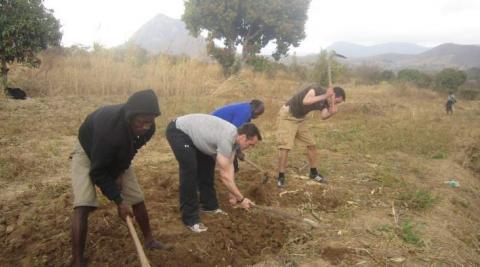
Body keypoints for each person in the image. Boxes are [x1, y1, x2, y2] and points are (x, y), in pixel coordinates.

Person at [70, 89, 170, 267]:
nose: (146, 127)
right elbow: (98, 171)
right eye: (141, 122)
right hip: (88, 149)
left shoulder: (148, 127)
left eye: (150, 122)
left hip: (118, 151)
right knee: (83, 203)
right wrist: (118, 200)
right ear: (130, 116)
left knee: (137, 197)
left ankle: (149, 241)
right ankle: (78, 260)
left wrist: (121, 172)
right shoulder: (108, 130)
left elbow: (132, 149)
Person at [165, 114, 260, 233]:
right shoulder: (227, 139)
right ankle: (190, 219)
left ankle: (209, 206)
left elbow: (228, 166)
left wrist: (233, 194)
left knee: (207, 168)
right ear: (243, 137)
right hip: (179, 131)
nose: (249, 147)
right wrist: (241, 199)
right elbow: (224, 176)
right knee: (190, 170)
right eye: (250, 144)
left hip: (197, 136)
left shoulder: (234, 140)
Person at [276, 85, 346, 187]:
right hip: (288, 116)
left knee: (311, 144)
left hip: (300, 119)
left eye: (338, 103)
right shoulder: (316, 89)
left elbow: (323, 116)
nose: (336, 104)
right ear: (333, 95)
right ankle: (281, 176)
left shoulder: (328, 102)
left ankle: (313, 173)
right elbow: (306, 101)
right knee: (285, 147)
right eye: (337, 101)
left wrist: (331, 112)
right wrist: (325, 95)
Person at [211, 99, 265, 172]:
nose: (257, 117)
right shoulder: (245, 113)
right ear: (256, 111)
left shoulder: (246, 109)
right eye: (258, 115)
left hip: (219, 128)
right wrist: (239, 152)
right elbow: (234, 134)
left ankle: (232, 168)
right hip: (213, 128)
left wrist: (237, 151)